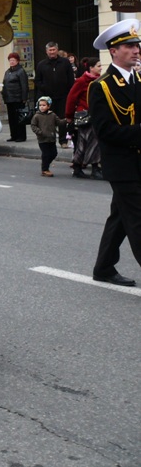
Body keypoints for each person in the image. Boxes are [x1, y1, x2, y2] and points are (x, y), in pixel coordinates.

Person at [89, 19, 141, 287]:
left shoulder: (139, 79)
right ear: (113, 51)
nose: (136, 50)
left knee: (120, 217)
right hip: (121, 165)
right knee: (137, 219)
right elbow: (105, 131)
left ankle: (103, 267)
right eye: (129, 46)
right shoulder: (101, 86)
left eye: (137, 46)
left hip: (138, 162)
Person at [65, 57, 103, 179]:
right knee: (90, 142)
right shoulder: (82, 81)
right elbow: (71, 98)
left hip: (97, 115)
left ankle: (78, 167)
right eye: (98, 66)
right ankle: (94, 168)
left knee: (88, 142)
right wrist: (69, 115)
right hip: (85, 116)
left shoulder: (101, 80)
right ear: (91, 68)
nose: (101, 68)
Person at [35, 42, 75, 148]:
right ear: (46, 51)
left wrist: (70, 93)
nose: (52, 52)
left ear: (57, 50)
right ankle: (49, 141)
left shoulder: (65, 62)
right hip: (48, 98)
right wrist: (44, 89)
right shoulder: (41, 64)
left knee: (62, 119)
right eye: (50, 50)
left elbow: (70, 79)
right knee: (48, 120)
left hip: (63, 96)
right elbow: (37, 81)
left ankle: (63, 141)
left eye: (54, 50)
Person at [30, 96, 66, 177]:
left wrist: (66, 120)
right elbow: (33, 126)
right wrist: (39, 132)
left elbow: (59, 122)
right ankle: (45, 169)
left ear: (49, 106)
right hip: (42, 139)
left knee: (54, 153)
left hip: (52, 138)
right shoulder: (37, 116)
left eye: (44, 105)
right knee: (46, 154)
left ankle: (45, 164)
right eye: (40, 105)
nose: (42, 107)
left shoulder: (52, 115)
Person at [1, 52, 29, 142]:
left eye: (13, 60)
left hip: (18, 98)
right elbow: (4, 84)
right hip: (9, 99)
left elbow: (24, 85)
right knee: (12, 118)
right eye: (10, 60)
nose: (12, 62)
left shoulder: (21, 71)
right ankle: (13, 135)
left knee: (19, 118)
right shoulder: (7, 72)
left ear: (17, 61)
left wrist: (24, 98)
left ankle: (21, 136)